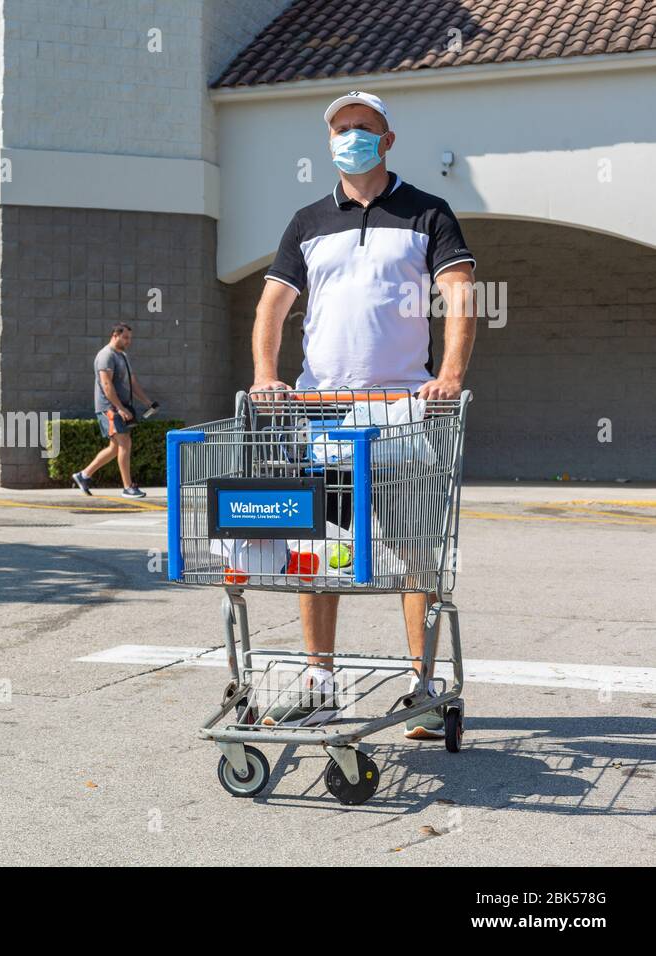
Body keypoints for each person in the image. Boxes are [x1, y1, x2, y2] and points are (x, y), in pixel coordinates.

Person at [251, 91, 476, 739]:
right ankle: (320, 682)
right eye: (341, 129)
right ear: (329, 143)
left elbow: (458, 295)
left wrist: (450, 375)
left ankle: (421, 688)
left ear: (388, 139)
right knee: (320, 553)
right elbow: (272, 306)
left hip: (405, 413)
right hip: (324, 416)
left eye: (364, 128)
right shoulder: (307, 221)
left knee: (415, 555)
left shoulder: (427, 213)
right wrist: (267, 375)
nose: (352, 137)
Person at [72, 323, 155, 499]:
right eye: (125, 337)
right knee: (125, 443)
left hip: (118, 407)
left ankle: (83, 475)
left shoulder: (122, 356)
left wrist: (148, 402)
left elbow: (132, 382)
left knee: (115, 447)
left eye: (130, 338)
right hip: (109, 408)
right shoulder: (106, 355)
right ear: (115, 335)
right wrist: (120, 408)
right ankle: (128, 487)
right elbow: (106, 384)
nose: (128, 341)